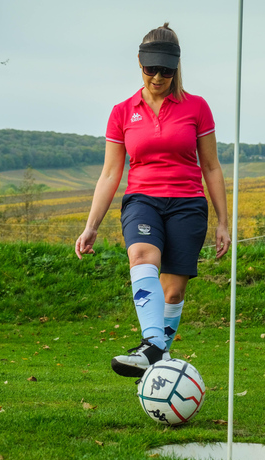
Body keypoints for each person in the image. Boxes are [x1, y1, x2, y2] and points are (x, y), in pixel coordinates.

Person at [75, 23, 231, 378]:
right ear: (139, 64)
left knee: (173, 293)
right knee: (142, 256)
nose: (158, 77)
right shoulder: (121, 112)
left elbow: (211, 166)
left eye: (166, 70)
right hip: (142, 199)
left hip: (187, 203)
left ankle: (157, 357)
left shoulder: (197, 107)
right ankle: (151, 344)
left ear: (176, 67)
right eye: (151, 69)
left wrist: (224, 222)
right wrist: (91, 226)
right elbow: (111, 174)